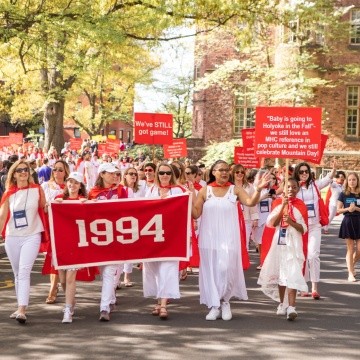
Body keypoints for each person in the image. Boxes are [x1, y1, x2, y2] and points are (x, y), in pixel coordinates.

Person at [191, 160, 270, 321]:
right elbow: (196, 213)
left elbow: (250, 202)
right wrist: (187, 198)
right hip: (209, 238)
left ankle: (225, 301)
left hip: (229, 237)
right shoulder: (206, 191)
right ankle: (215, 305)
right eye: (221, 170)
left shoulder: (235, 189)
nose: (225, 172)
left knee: (226, 269)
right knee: (211, 271)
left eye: (227, 170)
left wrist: (259, 190)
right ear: (213, 172)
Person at [0, 160, 47, 324]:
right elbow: (3, 216)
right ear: (13, 174)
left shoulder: (37, 190)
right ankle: (20, 305)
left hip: (32, 235)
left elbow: (46, 208)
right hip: (12, 236)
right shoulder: (8, 194)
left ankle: (22, 309)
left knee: (25, 270)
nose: (23, 172)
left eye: (26, 169)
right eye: (19, 170)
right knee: (17, 273)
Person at [258, 178, 308, 321]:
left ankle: (292, 307)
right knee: (282, 274)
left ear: (298, 189)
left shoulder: (301, 205)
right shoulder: (277, 203)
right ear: (283, 188)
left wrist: (292, 222)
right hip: (280, 242)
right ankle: (282, 303)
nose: (291, 189)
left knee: (292, 272)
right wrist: (282, 208)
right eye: (288, 187)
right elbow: (272, 223)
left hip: (294, 243)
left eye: (294, 187)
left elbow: (303, 228)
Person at [143, 162, 187, 320]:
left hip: (172, 236)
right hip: (153, 236)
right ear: (157, 174)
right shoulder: (151, 190)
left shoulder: (179, 190)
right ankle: (158, 301)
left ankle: (163, 304)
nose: (165, 175)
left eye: (168, 173)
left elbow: (185, 210)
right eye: (161, 173)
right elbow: (143, 210)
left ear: (172, 174)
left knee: (167, 270)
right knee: (154, 271)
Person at [88, 162, 127, 321]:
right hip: (99, 237)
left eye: (116, 174)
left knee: (110, 271)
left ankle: (104, 308)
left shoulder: (121, 190)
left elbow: (128, 209)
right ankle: (109, 299)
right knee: (105, 273)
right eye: (111, 173)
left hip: (116, 236)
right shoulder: (92, 193)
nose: (115, 176)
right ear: (102, 174)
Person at [293, 161, 336, 299]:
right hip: (299, 227)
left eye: (306, 171)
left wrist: (334, 170)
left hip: (314, 225)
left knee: (313, 255)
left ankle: (314, 287)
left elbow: (328, 178)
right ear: (297, 173)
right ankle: (302, 286)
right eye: (301, 172)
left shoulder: (315, 185)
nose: (304, 174)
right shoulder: (294, 188)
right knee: (301, 256)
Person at [53, 171, 88, 323]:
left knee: (70, 276)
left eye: (76, 182)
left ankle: (67, 309)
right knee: (62, 277)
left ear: (80, 186)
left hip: (77, 243)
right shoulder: (59, 199)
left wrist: (88, 205)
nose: (72, 185)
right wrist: (52, 205)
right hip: (61, 243)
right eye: (70, 182)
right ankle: (70, 300)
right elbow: (48, 211)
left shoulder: (83, 200)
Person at [42, 160, 70, 304]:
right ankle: (53, 287)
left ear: (65, 171)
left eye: (60, 170)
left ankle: (56, 287)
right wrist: (46, 206)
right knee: (53, 257)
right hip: (50, 226)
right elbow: (40, 205)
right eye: (55, 169)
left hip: (65, 228)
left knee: (61, 258)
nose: (57, 172)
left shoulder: (70, 186)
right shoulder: (45, 186)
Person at [337, 172, 360, 282]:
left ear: (357, 181)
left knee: (359, 250)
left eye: (354, 179)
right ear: (347, 181)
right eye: (350, 179)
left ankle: (351, 264)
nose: (352, 181)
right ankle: (350, 272)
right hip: (348, 221)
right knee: (350, 249)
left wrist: (356, 208)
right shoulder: (343, 194)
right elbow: (338, 210)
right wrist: (348, 209)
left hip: (359, 221)